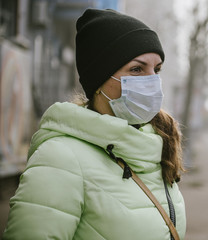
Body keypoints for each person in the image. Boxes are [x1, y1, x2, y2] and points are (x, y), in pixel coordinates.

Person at [3, 9, 186, 240]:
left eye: (156, 69)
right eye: (137, 69)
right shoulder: (61, 158)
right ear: (99, 80)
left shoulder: (154, 149)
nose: (152, 81)